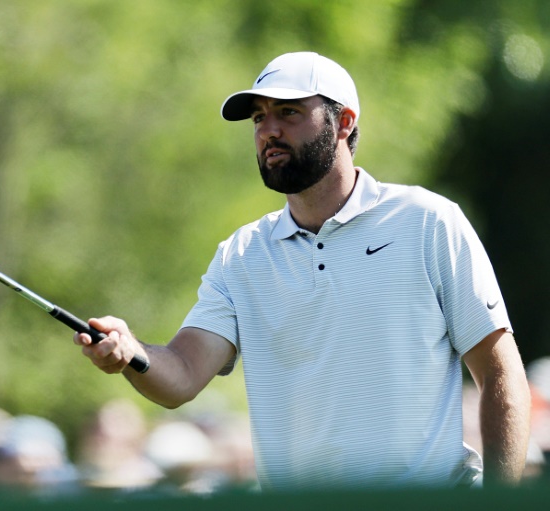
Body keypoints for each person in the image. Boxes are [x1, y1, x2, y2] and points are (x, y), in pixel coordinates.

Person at [73, 51, 531, 490]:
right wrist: (131, 352)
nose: (268, 131)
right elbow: (183, 374)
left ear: (344, 122)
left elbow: (500, 375)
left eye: (288, 113)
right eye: (259, 118)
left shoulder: (427, 221)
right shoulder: (241, 255)